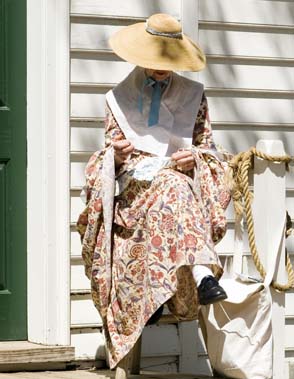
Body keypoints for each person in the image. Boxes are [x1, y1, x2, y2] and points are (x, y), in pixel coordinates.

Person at [77, 13, 231, 369]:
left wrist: (194, 158)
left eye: (168, 63)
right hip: (134, 191)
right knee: (170, 188)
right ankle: (202, 273)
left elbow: (208, 149)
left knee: (173, 185)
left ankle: (160, 292)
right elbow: (107, 154)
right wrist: (115, 154)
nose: (162, 69)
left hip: (177, 188)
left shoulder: (195, 97)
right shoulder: (118, 99)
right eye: (155, 62)